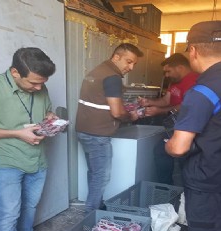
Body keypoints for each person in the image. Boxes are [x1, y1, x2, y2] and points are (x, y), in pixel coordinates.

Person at [165, 20, 221, 231]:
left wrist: (167, 145)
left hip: (207, 177)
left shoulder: (202, 91)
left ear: (193, 50)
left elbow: (179, 147)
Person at [0, 47, 56, 231]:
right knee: (9, 214)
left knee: (30, 206)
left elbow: (47, 109)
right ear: (15, 73)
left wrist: (51, 118)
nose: (39, 88)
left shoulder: (40, 85)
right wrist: (17, 133)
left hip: (37, 159)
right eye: (34, 83)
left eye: (43, 83)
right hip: (7, 161)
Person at [75, 43, 142, 213]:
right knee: (102, 176)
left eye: (134, 63)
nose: (131, 67)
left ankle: (98, 204)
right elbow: (117, 112)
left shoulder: (98, 70)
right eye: (128, 61)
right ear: (116, 57)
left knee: (94, 172)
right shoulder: (112, 77)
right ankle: (91, 214)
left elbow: (100, 100)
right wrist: (131, 116)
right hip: (97, 134)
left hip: (84, 129)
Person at [139, 53, 199, 185]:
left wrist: (159, 111)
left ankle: (184, 190)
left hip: (187, 125)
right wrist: (149, 102)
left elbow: (186, 105)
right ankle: (166, 187)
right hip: (174, 124)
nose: (166, 75)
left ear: (180, 67)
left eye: (168, 71)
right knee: (162, 152)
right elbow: (166, 100)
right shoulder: (174, 82)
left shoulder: (194, 80)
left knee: (184, 158)